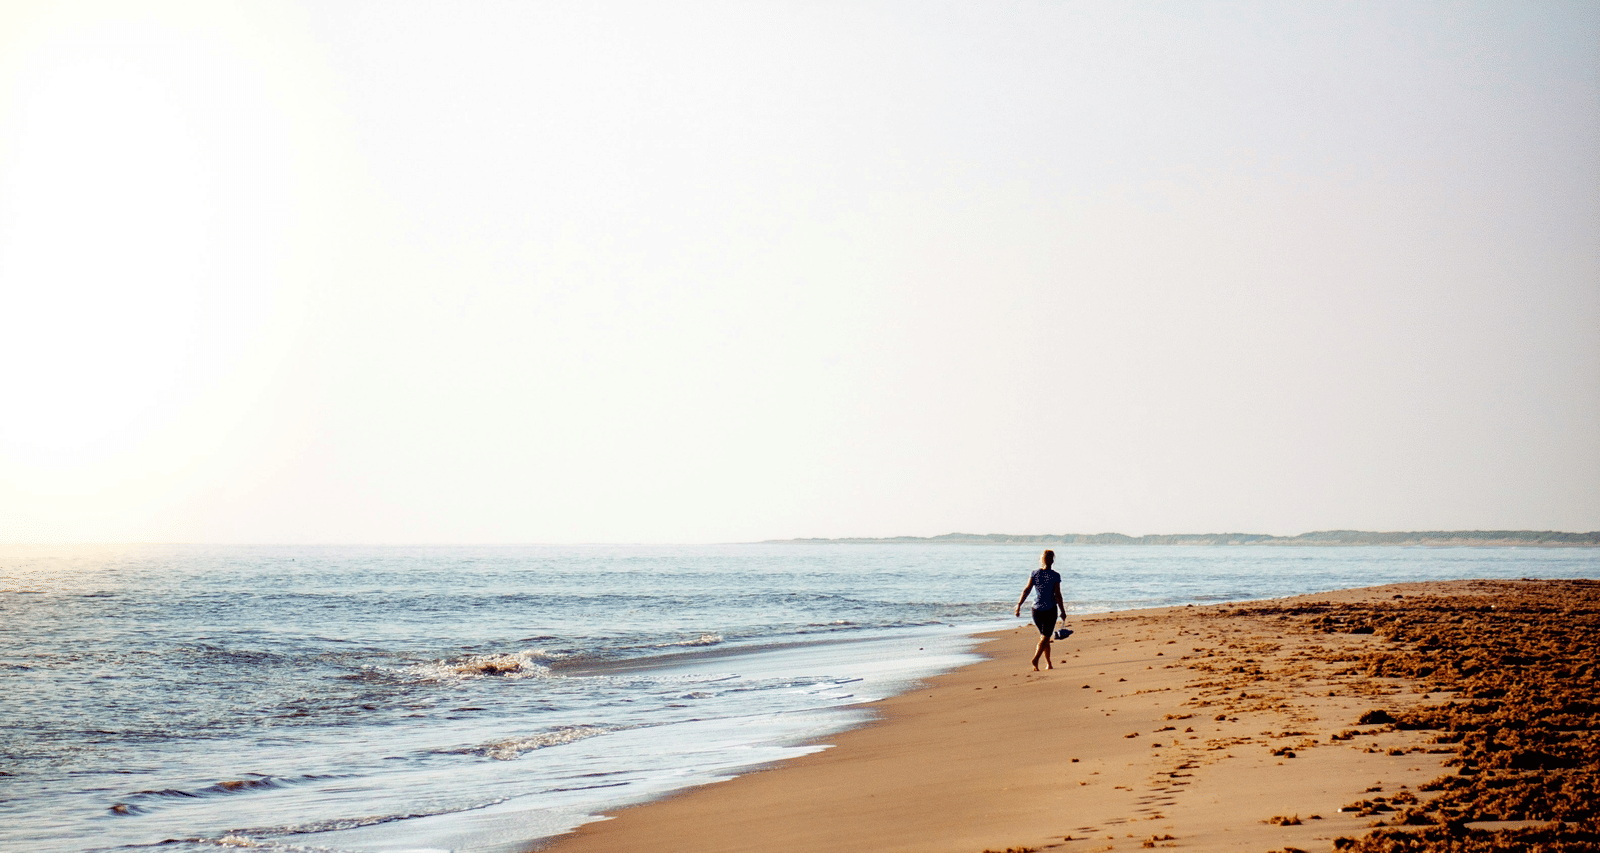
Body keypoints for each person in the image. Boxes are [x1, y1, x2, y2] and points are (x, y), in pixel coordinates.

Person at [1013, 549, 1066, 670]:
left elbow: (1026, 590)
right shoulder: (1055, 575)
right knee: (1045, 637)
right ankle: (1035, 659)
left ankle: (1049, 664)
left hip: (1036, 610)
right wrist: (1063, 611)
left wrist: (1019, 605)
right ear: (1052, 560)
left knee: (1044, 636)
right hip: (1050, 610)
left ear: (1041, 560)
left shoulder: (1035, 573)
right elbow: (1058, 595)